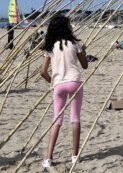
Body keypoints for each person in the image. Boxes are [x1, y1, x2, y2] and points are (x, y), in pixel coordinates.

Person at [39, 15, 88, 168]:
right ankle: (74, 156)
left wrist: (53, 83)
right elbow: (85, 65)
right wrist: (83, 52)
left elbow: (43, 72)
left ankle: (48, 158)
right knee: (75, 118)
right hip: (75, 82)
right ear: (66, 27)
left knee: (56, 120)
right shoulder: (75, 44)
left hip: (59, 85)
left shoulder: (50, 46)